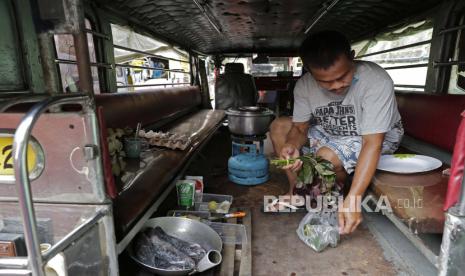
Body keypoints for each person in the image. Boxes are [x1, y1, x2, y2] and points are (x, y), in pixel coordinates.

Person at [269, 30, 404, 235]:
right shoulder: (304, 86)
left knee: (326, 156)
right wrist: (292, 146)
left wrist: (355, 198)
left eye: (342, 76)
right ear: (308, 71)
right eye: (325, 82)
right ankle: (295, 191)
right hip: (331, 131)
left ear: (352, 57)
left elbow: (372, 142)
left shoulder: (375, 81)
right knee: (279, 126)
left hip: (374, 136)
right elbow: (299, 128)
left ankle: (337, 202)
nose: (336, 86)